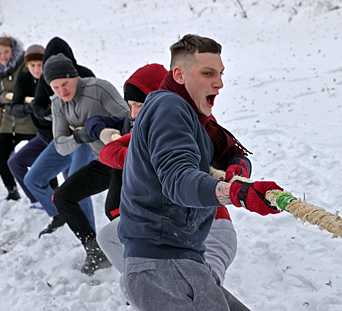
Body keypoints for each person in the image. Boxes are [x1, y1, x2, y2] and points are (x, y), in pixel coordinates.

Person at [118, 34, 283, 310]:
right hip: (163, 267)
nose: (219, 83)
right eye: (208, 73)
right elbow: (178, 179)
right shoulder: (168, 106)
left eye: (220, 73)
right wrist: (236, 192)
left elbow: (229, 152)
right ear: (179, 75)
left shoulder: (195, 120)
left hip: (180, 262)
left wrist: (238, 168)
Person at [89, 63, 238, 287]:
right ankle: (144, 284)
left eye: (138, 105)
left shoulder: (197, 125)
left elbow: (233, 158)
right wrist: (144, 156)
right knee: (109, 239)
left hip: (210, 229)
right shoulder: (150, 130)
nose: (133, 114)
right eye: (130, 106)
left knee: (201, 291)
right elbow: (108, 152)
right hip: (165, 225)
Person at [42, 53, 130, 275]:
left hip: (125, 159)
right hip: (103, 162)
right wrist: (81, 137)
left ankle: (135, 259)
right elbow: (61, 145)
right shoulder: (58, 104)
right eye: (55, 87)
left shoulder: (99, 89)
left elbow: (131, 120)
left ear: (75, 76)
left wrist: (102, 128)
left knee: (113, 210)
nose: (62, 91)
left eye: (65, 83)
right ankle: (95, 250)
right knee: (63, 197)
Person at [23, 37, 96, 237]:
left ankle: (92, 242)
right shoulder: (47, 79)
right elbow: (37, 106)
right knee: (33, 179)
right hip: (62, 137)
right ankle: (61, 213)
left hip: (86, 138)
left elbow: (100, 106)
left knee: (75, 184)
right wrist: (47, 114)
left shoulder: (84, 74)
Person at [0, 36, 38, 201]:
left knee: (38, 154)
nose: (2, 56)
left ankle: (51, 186)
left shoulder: (24, 66)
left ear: (13, 50)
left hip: (29, 119)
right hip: (9, 122)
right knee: (0, 152)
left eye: (6, 52)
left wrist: (18, 98)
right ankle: (11, 188)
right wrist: (0, 99)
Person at [6, 44, 58, 209]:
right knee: (15, 162)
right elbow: (15, 109)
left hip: (60, 135)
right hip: (42, 135)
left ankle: (68, 203)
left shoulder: (53, 78)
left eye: (40, 64)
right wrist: (32, 106)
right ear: (27, 66)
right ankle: (38, 200)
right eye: (32, 65)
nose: (36, 69)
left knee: (68, 172)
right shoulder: (23, 79)